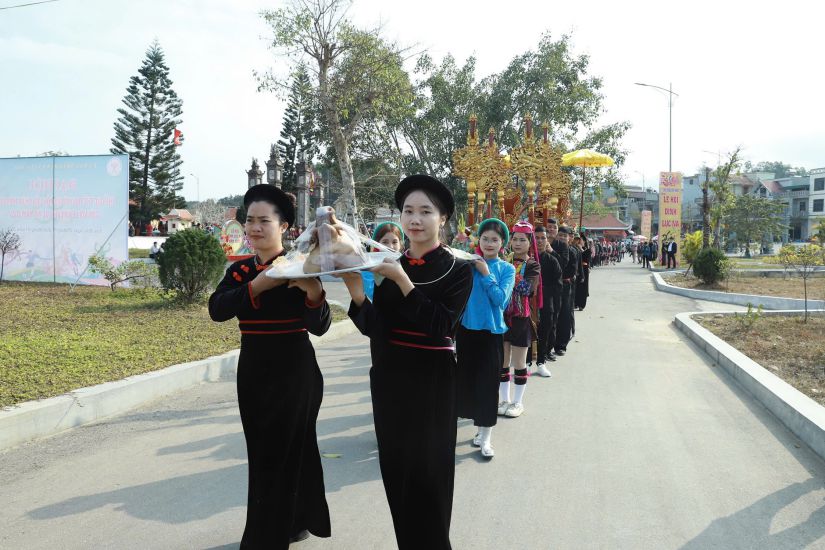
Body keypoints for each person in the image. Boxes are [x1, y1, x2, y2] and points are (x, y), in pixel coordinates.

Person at [339, 174, 473, 550]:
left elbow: (441, 326)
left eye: (425, 211)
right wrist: (356, 294)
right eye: (408, 211)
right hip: (391, 380)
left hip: (432, 384)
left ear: (442, 219)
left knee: (429, 479)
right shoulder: (389, 263)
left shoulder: (458, 269)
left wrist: (402, 280)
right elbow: (378, 330)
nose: (415, 219)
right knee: (397, 475)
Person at [208, 184, 331, 548]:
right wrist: (256, 286)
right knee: (264, 451)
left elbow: (320, 326)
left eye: (264, 221)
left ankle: (265, 539)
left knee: (282, 454)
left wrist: (313, 292)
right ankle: (295, 520)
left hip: (296, 373)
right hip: (254, 372)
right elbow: (217, 309)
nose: (255, 228)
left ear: (284, 226)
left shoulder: (299, 267)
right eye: (250, 220)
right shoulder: (240, 271)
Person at [456, 218, 515, 459]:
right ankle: (477, 429)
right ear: (478, 240)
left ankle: (486, 436)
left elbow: (501, 300)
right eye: (485, 238)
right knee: (467, 384)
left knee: (488, 386)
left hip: (492, 334)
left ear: (502, 243)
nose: (489, 243)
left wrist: (486, 273)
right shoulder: (467, 265)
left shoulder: (507, 269)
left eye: (495, 240)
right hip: (466, 332)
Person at [499, 220, 542, 418]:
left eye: (522, 240)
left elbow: (528, 289)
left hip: (521, 319)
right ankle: (504, 400)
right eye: (514, 239)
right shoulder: (503, 260)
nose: (517, 243)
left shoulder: (532, 265)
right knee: (502, 361)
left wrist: (508, 272)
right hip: (501, 317)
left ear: (529, 242)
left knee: (519, 362)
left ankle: (518, 402)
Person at [531, 224, 562, 375]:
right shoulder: (526, 260)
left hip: (546, 300)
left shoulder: (552, 260)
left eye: (543, 238)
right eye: (536, 238)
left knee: (545, 330)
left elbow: (558, 285)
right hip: (528, 301)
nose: (539, 241)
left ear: (547, 240)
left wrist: (553, 305)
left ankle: (541, 362)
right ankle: (525, 362)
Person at [361, 222, 405, 300]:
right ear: (377, 244)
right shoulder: (370, 266)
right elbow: (371, 293)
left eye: (394, 242)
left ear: (400, 244)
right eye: (385, 242)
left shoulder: (407, 263)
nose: (390, 247)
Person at [554, 226, 578, 356]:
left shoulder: (572, 251)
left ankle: (561, 345)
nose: (562, 237)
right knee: (552, 315)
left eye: (565, 236)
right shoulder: (552, 248)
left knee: (564, 315)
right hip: (553, 286)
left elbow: (572, 271)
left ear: (569, 238)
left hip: (565, 286)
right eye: (560, 235)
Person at [574, 235, 591, 310]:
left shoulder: (587, 250)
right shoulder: (574, 248)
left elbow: (587, 259)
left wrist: (580, 249)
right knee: (577, 286)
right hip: (577, 269)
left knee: (583, 286)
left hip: (584, 269)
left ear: (584, 241)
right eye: (578, 239)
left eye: (580, 239)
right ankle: (576, 303)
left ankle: (582, 304)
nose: (579, 241)